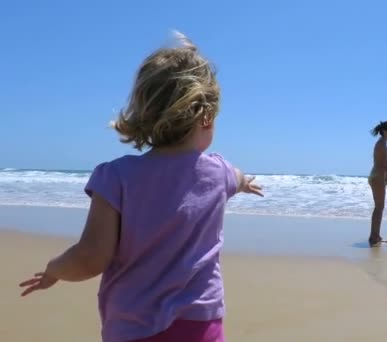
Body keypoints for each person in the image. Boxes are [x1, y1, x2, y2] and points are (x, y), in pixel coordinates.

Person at [18, 31, 263, 342]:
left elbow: (91, 257)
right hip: (201, 325)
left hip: (134, 327)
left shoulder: (116, 177)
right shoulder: (219, 173)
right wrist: (244, 184)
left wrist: (54, 269)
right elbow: (236, 175)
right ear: (207, 117)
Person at [368, 121, 387, 246]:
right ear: (385, 131)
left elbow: (381, 165)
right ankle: (374, 237)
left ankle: (375, 236)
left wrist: (386, 180)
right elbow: (385, 166)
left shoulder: (382, 144)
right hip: (377, 178)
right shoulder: (381, 145)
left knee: (379, 208)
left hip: (378, 177)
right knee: (379, 208)